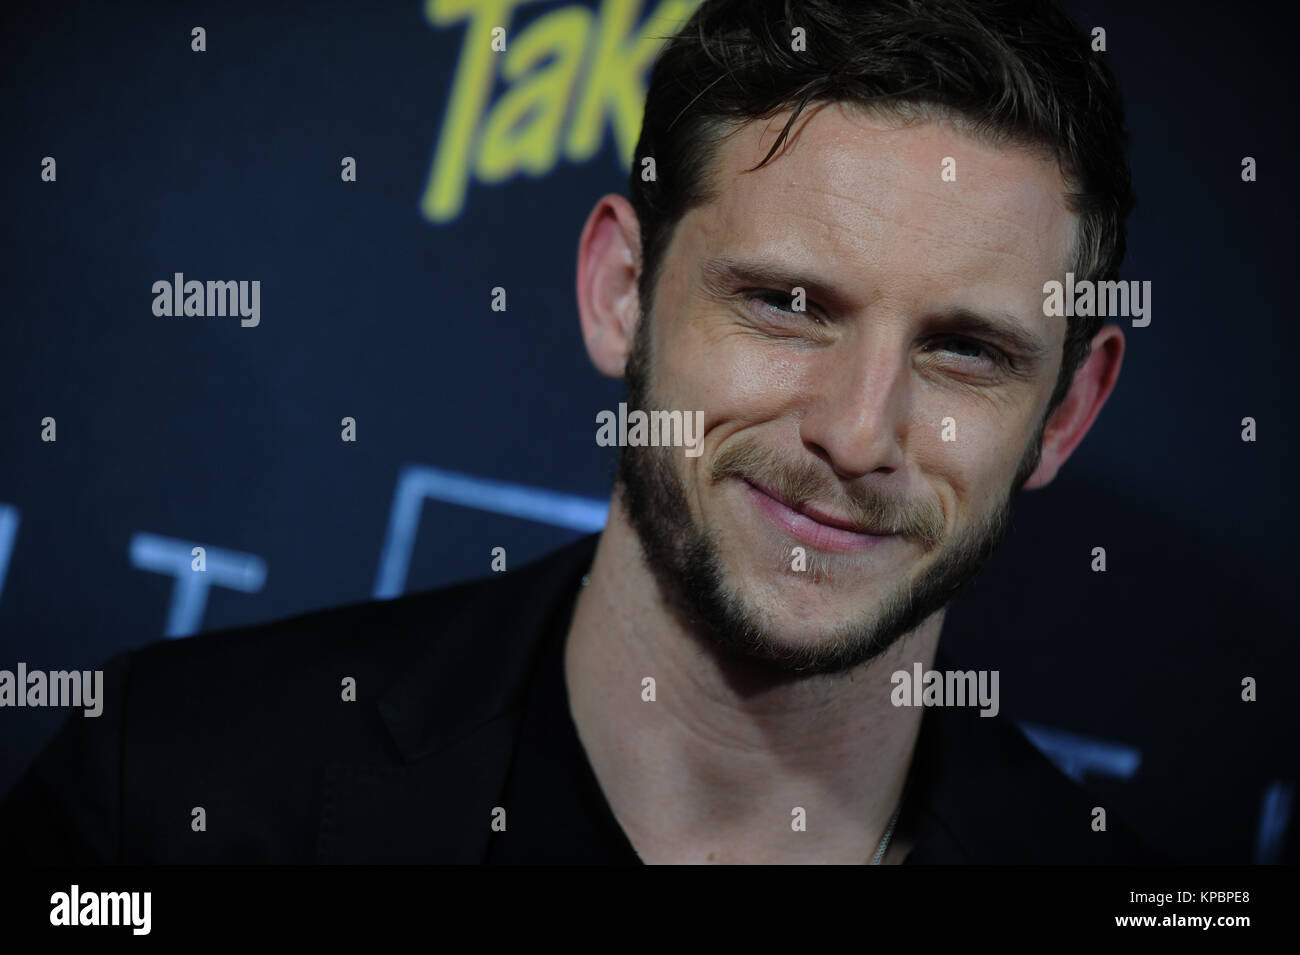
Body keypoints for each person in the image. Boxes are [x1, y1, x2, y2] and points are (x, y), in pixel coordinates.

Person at [0, 0, 1159, 864]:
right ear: (621, 291)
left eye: (966, 349)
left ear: (1064, 411)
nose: (859, 435)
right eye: (785, 305)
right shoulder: (167, 789)